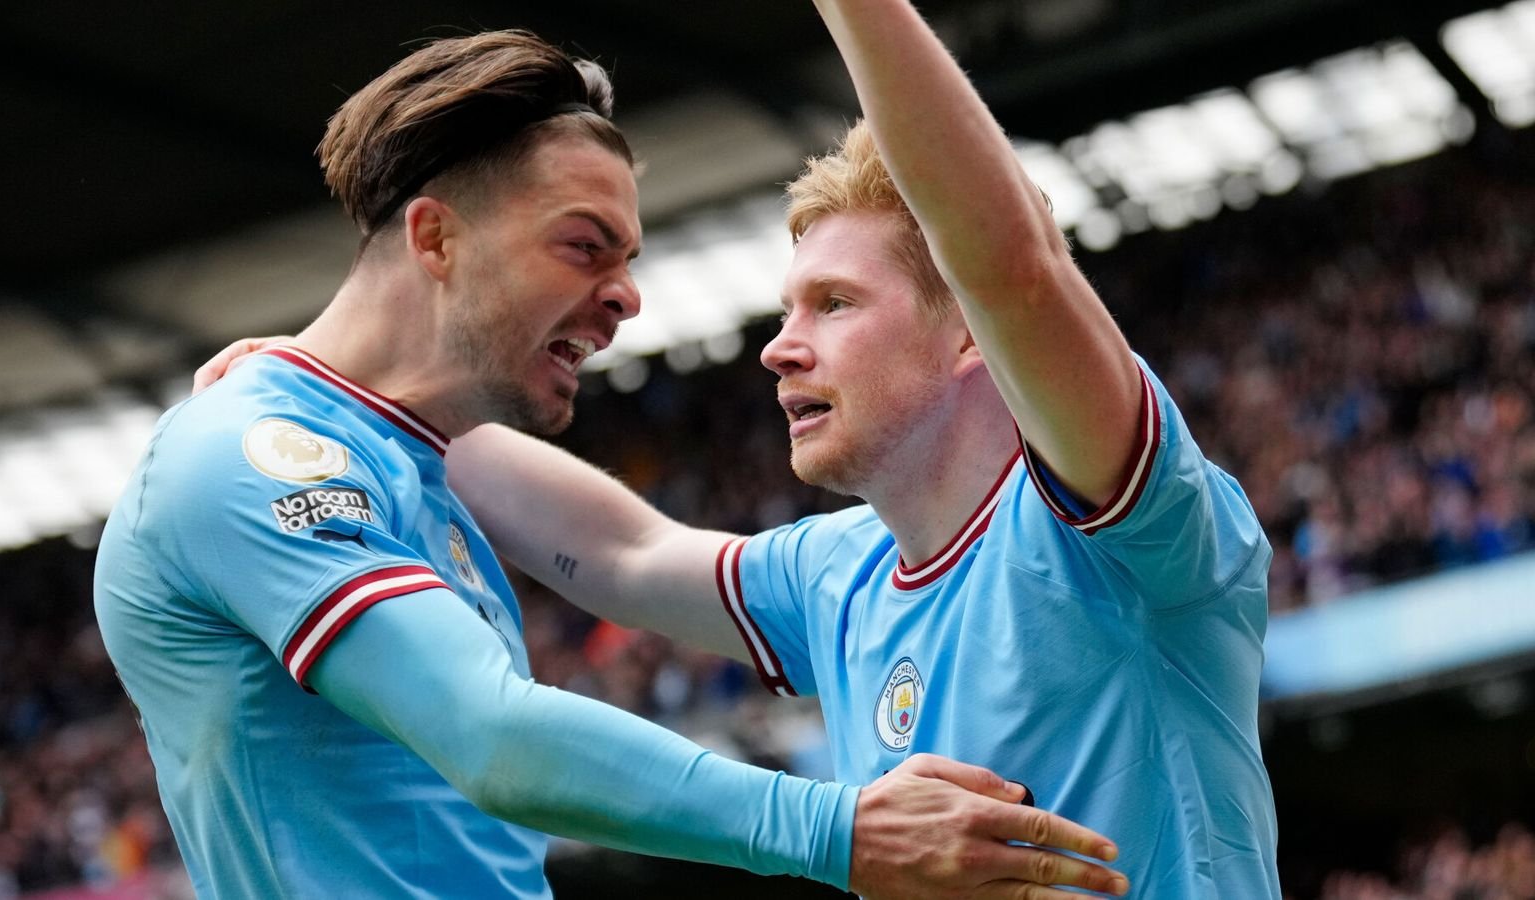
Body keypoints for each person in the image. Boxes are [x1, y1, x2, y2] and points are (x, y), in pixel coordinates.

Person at [103, 27, 1130, 900]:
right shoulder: (243, 456)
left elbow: (629, 551)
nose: (627, 296)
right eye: (586, 246)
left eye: (628, 259)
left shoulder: (406, 467)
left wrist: (299, 379)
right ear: (436, 238)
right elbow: (492, 737)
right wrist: (840, 832)